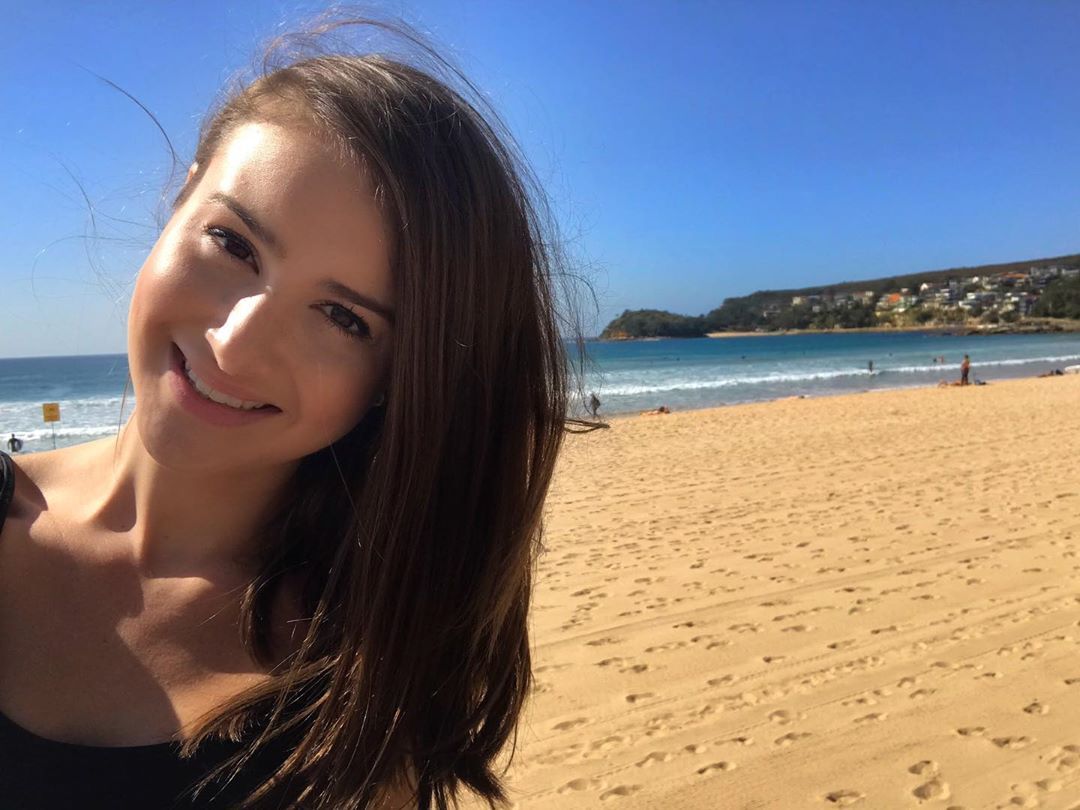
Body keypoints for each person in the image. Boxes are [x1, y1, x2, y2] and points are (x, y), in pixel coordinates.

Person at [0, 17, 576, 810]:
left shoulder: (355, 697)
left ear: (398, 379)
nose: (235, 346)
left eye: (343, 317)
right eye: (234, 245)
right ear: (182, 199)